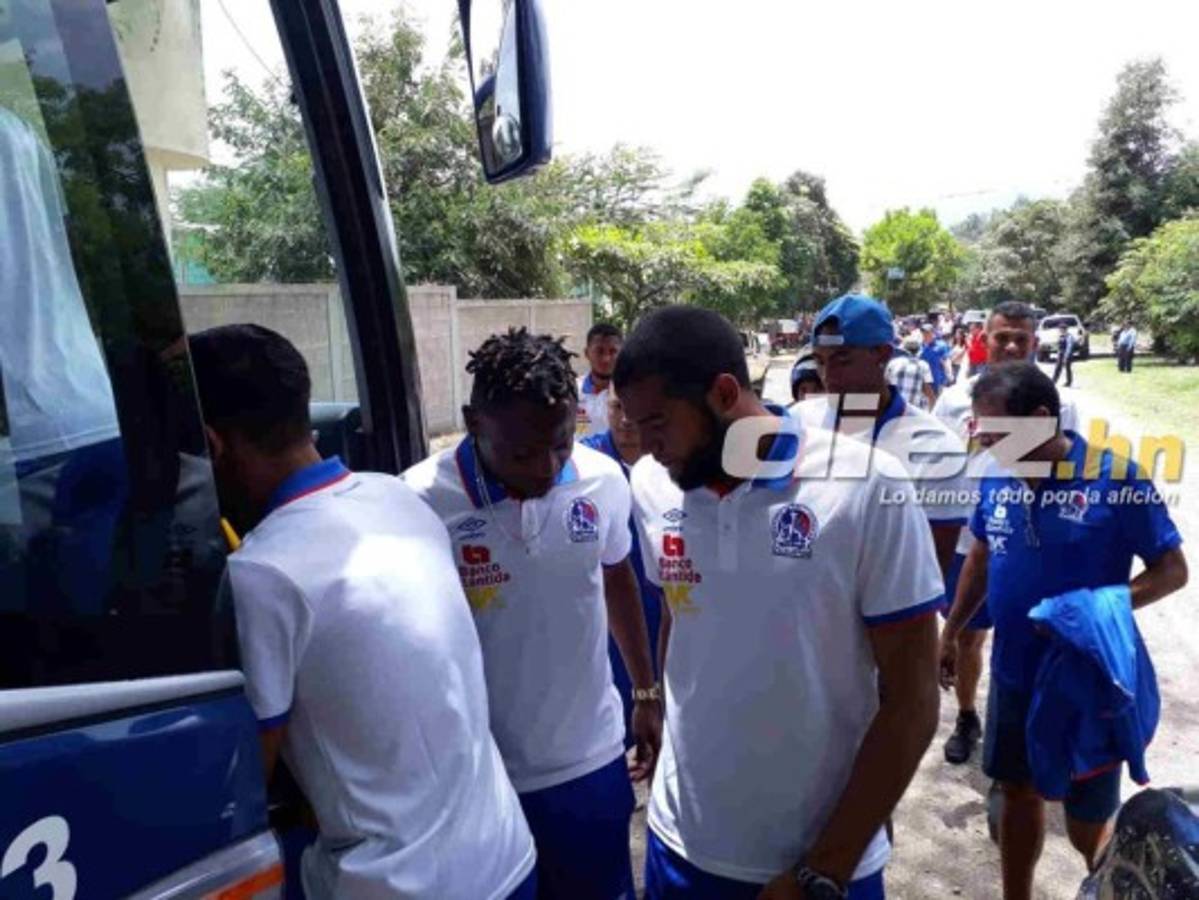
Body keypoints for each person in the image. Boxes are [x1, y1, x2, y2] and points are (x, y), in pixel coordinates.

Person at [188, 324, 537, 899]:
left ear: (212, 445)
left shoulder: (261, 574)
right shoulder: (397, 496)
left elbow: (248, 782)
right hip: (506, 859)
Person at [616, 305, 943, 900]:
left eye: (658, 421)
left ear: (722, 393)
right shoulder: (652, 483)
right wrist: (653, 697)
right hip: (679, 847)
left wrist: (824, 869)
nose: (646, 444)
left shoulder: (868, 484)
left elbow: (915, 698)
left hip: (813, 867)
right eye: (635, 424)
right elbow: (680, 609)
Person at [403, 327, 661, 900]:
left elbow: (616, 576)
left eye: (562, 443)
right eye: (522, 452)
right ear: (474, 424)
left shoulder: (602, 482)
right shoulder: (418, 502)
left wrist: (645, 692)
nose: (547, 466)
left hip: (589, 765)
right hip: (477, 777)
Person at [940, 362, 1187, 900]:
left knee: (1087, 817)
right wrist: (953, 631)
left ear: (1042, 419)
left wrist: (1103, 605)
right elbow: (979, 560)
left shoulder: (1114, 477)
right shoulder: (997, 477)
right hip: (1013, 674)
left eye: (995, 429)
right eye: (980, 429)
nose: (984, 440)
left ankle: (1115, 888)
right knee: (1016, 792)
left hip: (1087, 682)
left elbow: (1173, 570)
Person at [932, 300, 1079, 765]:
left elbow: (1067, 468)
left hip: (1032, 543)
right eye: (1002, 336)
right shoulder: (955, 400)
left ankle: (1022, 724)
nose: (1012, 345)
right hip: (968, 540)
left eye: (1022, 337)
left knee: (1032, 635)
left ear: (1036, 343)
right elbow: (937, 464)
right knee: (968, 638)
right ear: (984, 339)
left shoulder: (1061, 403)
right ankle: (968, 714)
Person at [581, 388, 664, 747]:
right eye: (617, 408)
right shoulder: (588, 465)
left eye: (633, 409)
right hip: (613, 609)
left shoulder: (668, 461)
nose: (626, 419)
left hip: (662, 601)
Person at [577, 322, 622, 437]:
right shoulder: (573, 390)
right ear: (587, 353)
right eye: (599, 351)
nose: (606, 359)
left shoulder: (630, 393)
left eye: (613, 352)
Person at [885, 333, 936, 410]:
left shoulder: (893, 363)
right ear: (919, 351)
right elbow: (927, 390)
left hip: (894, 408)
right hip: (912, 411)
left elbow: (886, 383)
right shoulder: (923, 365)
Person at [920, 324, 951, 398]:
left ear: (933, 333)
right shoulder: (920, 346)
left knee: (937, 403)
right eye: (923, 333)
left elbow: (946, 360)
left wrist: (949, 373)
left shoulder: (941, 345)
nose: (925, 335)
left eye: (927, 333)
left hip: (937, 380)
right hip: (924, 381)